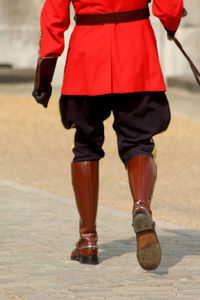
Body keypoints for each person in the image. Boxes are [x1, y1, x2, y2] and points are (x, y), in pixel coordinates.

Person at [32, 0, 184, 270]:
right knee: (139, 142)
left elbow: (54, 14)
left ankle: (87, 240)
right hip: (136, 52)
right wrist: (171, 24)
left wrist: (46, 66)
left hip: (87, 55)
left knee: (85, 146)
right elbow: (169, 8)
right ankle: (141, 207)